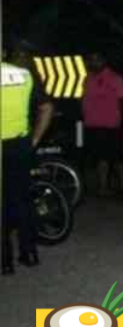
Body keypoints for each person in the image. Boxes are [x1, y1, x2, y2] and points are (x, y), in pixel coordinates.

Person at [2, 50, 54, 275]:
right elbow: (47, 107)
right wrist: (34, 139)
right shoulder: (24, 75)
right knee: (22, 199)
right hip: (20, 145)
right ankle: (29, 252)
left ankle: (4, 262)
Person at [81, 52, 123, 197]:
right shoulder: (88, 78)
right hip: (91, 123)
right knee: (100, 156)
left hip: (110, 123)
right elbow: (84, 98)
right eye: (91, 60)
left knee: (114, 157)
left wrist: (122, 117)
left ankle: (118, 186)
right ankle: (106, 186)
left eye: (96, 60)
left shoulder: (115, 78)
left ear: (103, 61)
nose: (93, 62)